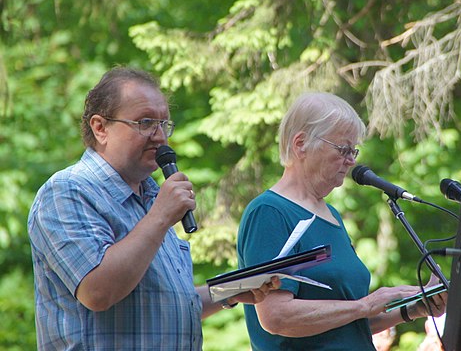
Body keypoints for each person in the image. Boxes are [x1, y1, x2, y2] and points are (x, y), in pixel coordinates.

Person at [27, 66, 279, 350]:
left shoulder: (151, 197)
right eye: (145, 122)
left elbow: (167, 304)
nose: (160, 137)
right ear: (100, 128)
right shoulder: (66, 192)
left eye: (164, 124)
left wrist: (231, 290)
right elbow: (97, 291)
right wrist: (160, 216)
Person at [237, 92, 447, 350]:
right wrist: (364, 305)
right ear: (301, 143)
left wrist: (413, 308)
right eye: (343, 149)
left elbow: (348, 324)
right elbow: (276, 317)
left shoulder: (331, 215)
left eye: (354, 151)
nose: (352, 161)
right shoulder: (270, 212)